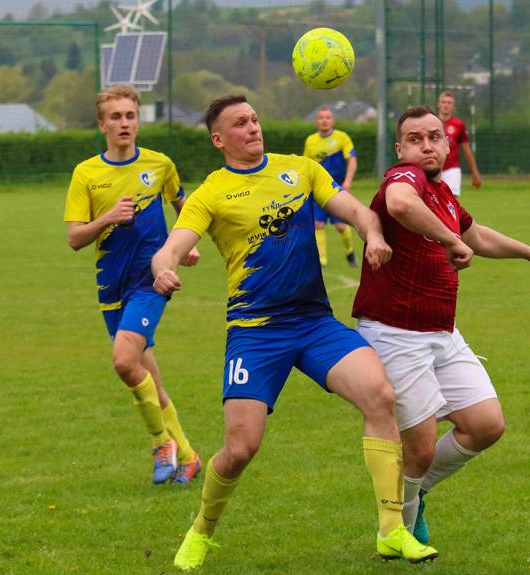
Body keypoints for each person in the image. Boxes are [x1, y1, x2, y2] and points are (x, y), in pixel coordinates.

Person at [151, 95, 439, 570]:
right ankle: (201, 530)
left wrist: (374, 234)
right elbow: (172, 247)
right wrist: (164, 268)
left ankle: (392, 530)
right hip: (255, 333)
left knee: (379, 395)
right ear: (219, 139)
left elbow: (357, 211)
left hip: (314, 323)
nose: (253, 127)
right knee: (241, 448)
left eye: (254, 119)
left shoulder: (300, 169)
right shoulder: (211, 192)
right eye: (240, 123)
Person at [351, 105, 530, 546]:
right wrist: (450, 239)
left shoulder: (442, 193)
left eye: (434, 137)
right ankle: (396, 535)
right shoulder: (404, 178)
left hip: (441, 332)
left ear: (448, 144)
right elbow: (400, 205)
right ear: (400, 149)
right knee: (421, 448)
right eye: (415, 139)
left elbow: (475, 237)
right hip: (396, 333)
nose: (426, 146)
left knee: (485, 425)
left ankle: (414, 494)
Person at [63, 84, 202, 486]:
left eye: (130, 116)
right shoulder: (86, 173)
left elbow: (186, 208)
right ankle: (189, 456)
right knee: (147, 377)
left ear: (138, 121)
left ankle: (161, 444)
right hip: (111, 285)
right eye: (116, 117)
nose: (124, 123)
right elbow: (74, 238)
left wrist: (185, 246)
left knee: (124, 362)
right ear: (102, 125)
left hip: (151, 279)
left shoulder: (160, 165)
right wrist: (107, 218)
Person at [303, 106, 359, 268]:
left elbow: (352, 159)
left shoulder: (342, 137)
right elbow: (307, 165)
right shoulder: (310, 140)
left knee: (340, 226)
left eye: (327, 117)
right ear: (316, 122)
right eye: (321, 118)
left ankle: (350, 253)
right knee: (318, 224)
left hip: (337, 189)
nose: (324, 121)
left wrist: (348, 181)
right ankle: (322, 261)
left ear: (333, 121)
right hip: (317, 188)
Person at [436, 90, 482, 197]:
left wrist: (474, 172)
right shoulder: (431, 122)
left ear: (453, 106)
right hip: (434, 168)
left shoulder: (459, 124)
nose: (446, 105)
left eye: (449, 102)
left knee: (451, 200)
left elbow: (467, 150)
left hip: (452, 168)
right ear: (438, 104)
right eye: (443, 102)